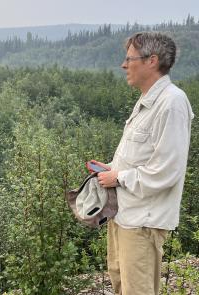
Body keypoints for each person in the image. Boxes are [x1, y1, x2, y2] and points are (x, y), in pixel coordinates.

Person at [91, 32, 194, 295]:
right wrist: (112, 168)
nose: (123, 65)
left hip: (142, 223)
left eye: (129, 58)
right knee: (121, 286)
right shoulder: (148, 100)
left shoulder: (172, 103)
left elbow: (167, 172)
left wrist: (119, 178)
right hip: (124, 216)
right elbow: (141, 156)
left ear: (152, 61)